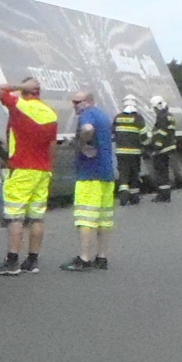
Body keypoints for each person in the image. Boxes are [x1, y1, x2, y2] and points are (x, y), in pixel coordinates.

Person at [0, 77, 58, 276]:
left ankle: (12, 261)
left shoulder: (19, 106)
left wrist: (19, 87)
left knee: (15, 216)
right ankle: (32, 260)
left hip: (22, 168)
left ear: (27, 90)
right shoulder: (50, 113)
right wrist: (49, 168)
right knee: (37, 217)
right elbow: (52, 146)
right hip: (42, 170)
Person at [61, 90, 116, 271]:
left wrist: (82, 143)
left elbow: (87, 129)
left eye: (78, 102)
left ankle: (84, 258)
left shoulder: (88, 114)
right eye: (73, 102)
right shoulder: (103, 115)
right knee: (104, 218)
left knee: (85, 218)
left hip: (89, 175)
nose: (74, 105)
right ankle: (102, 257)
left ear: (88, 102)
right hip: (106, 174)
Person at [112, 99, 146, 206]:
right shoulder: (138, 118)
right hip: (135, 153)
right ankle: (134, 197)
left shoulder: (118, 117)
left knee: (123, 173)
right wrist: (148, 146)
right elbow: (144, 136)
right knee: (134, 174)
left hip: (121, 152)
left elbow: (112, 132)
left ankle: (123, 197)